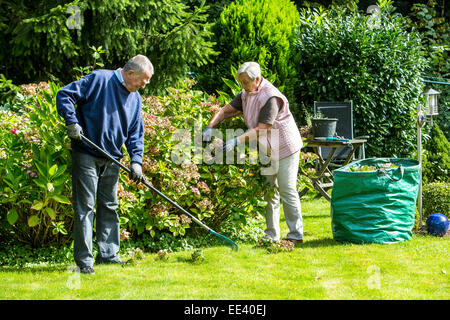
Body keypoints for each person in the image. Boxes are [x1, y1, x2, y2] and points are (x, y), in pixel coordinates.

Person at [56, 55, 153, 274]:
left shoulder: (135, 98)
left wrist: (136, 161)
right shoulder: (99, 79)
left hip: (112, 158)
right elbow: (65, 95)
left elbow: (136, 132)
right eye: (142, 81)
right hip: (87, 153)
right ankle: (84, 261)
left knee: (109, 206)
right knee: (85, 207)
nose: (143, 86)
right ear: (130, 73)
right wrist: (71, 121)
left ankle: (108, 255)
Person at [202, 61, 304, 244]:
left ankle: (295, 235)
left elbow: (261, 129)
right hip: (267, 148)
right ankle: (271, 236)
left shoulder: (270, 97)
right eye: (240, 82)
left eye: (245, 82)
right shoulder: (246, 93)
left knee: (287, 189)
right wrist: (210, 126)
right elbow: (225, 110)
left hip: (285, 147)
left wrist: (236, 140)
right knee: (269, 191)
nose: (242, 86)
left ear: (257, 79)